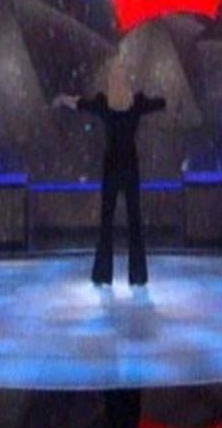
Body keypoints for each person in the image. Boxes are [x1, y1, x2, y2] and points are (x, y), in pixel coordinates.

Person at [53, 56, 165, 286]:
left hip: (117, 167)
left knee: (116, 221)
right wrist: (64, 99)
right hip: (123, 167)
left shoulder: (117, 102)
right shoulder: (121, 102)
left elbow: (81, 104)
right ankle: (133, 276)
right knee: (126, 221)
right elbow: (81, 104)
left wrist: (64, 99)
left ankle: (109, 275)